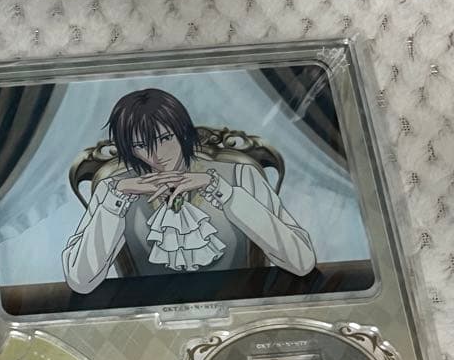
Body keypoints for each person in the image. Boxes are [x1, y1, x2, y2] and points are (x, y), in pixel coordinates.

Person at [62, 88, 316, 294]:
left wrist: (222, 191)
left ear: (182, 132)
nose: (157, 155)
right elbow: (80, 280)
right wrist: (115, 200)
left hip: (241, 308)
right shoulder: (114, 189)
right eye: (140, 145)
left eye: (165, 138)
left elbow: (302, 261)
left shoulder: (240, 176)